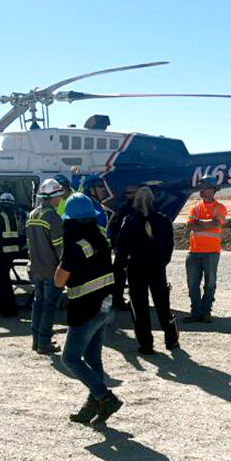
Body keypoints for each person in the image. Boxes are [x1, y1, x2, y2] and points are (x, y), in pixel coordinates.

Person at [55, 193, 122, 424]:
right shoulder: (100, 238)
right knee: (93, 358)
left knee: (70, 359)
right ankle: (93, 404)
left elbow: (59, 281)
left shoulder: (75, 246)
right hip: (104, 307)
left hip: (85, 310)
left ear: (70, 221)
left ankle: (105, 397)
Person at [115, 187, 177, 354]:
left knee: (139, 307)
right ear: (152, 201)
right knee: (163, 305)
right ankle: (171, 339)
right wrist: (162, 262)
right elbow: (169, 247)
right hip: (157, 267)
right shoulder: (163, 221)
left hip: (136, 268)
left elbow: (121, 247)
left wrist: (123, 266)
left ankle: (146, 344)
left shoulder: (129, 221)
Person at [26, 179, 64, 354]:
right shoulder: (53, 217)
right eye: (59, 195)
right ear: (52, 197)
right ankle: (44, 343)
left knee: (38, 304)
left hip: (35, 269)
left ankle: (36, 340)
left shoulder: (32, 215)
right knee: (48, 307)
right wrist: (65, 270)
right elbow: (59, 248)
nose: (61, 199)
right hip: (50, 270)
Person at [183, 175, 226, 323]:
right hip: (193, 251)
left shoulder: (220, 208)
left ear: (213, 190)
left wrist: (198, 222)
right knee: (192, 284)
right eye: (202, 188)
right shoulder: (194, 206)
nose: (203, 190)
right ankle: (196, 312)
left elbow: (215, 224)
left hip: (211, 252)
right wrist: (207, 222)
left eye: (206, 187)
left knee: (210, 283)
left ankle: (206, 311)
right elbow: (189, 225)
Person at [0, 193, 23, 317]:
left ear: (0, 203)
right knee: (3, 281)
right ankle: (2, 306)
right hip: (9, 253)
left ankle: (10, 309)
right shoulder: (13, 217)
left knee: (2, 282)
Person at [107, 185, 138, 310]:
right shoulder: (126, 209)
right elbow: (114, 227)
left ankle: (123, 300)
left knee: (126, 277)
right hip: (125, 249)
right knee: (121, 277)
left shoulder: (128, 209)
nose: (128, 195)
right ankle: (119, 300)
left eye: (130, 193)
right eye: (127, 193)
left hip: (127, 249)